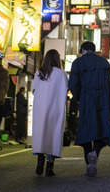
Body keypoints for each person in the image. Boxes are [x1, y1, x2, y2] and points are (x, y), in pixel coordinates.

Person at [68, 41, 110, 177]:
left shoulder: (78, 63)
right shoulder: (104, 62)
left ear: (82, 49)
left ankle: (89, 163)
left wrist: (78, 98)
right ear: (95, 50)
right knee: (101, 130)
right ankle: (94, 153)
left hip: (86, 101)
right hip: (103, 101)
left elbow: (73, 84)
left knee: (86, 132)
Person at [32, 49, 68, 177]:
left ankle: (39, 162)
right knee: (53, 134)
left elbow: (34, 90)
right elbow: (65, 91)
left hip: (40, 109)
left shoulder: (39, 73)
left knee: (41, 134)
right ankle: (49, 167)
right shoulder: (61, 74)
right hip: (55, 108)